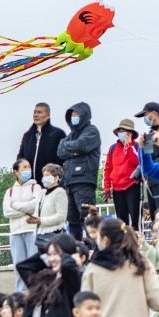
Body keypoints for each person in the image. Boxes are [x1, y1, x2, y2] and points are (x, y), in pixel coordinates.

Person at [57, 102, 101, 239]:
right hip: (69, 183)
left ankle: (93, 248)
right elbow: (59, 152)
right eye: (72, 115)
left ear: (84, 115)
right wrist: (72, 151)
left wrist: (69, 147)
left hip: (84, 181)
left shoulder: (91, 131)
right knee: (72, 219)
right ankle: (76, 251)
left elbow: (81, 145)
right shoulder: (70, 135)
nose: (74, 117)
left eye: (76, 114)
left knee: (87, 218)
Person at [2, 158, 41, 291]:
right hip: (15, 233)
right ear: (16, 172)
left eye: (29, 167)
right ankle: (21, 295)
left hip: (31, 230)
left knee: (34, 266)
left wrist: (16, 206)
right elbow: (7, 212)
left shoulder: (36, 187)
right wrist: (26, 208)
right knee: (19, 267)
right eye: (24, 167)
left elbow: (35, 206)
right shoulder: (10, 191)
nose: (28, 170)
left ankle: (36, 292)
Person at [103, 119, 142, 229]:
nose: (122, 134)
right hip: (117, 188)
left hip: (132, 185)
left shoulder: (137, 147)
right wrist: (107, 188)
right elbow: (107, 169)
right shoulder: (113, 148)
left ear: (131, 133)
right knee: (121, 220)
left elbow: (138, 162)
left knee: (135, 219)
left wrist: (129, 146)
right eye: (120, 131)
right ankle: (123, 242)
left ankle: (136, 242)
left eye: (124, 131)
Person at [17, 102, 68, 184]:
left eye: (40, 112)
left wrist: (53, 175)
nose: (36, 115)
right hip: (30, 183)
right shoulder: (27, 135)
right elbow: (21, 157)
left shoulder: (58, 134)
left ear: (48, 116)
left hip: (50, 182)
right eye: (35, 112)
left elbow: (62, 158)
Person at [26, 164, 69, 237]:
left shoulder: (60, 192)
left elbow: (61, 216)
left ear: (56, 178)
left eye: (47, 175)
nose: (44, 178)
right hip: (41, 233)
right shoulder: (42, 193)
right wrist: (33, 219)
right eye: (44, 175)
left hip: (55, 234)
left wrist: (41, 221)